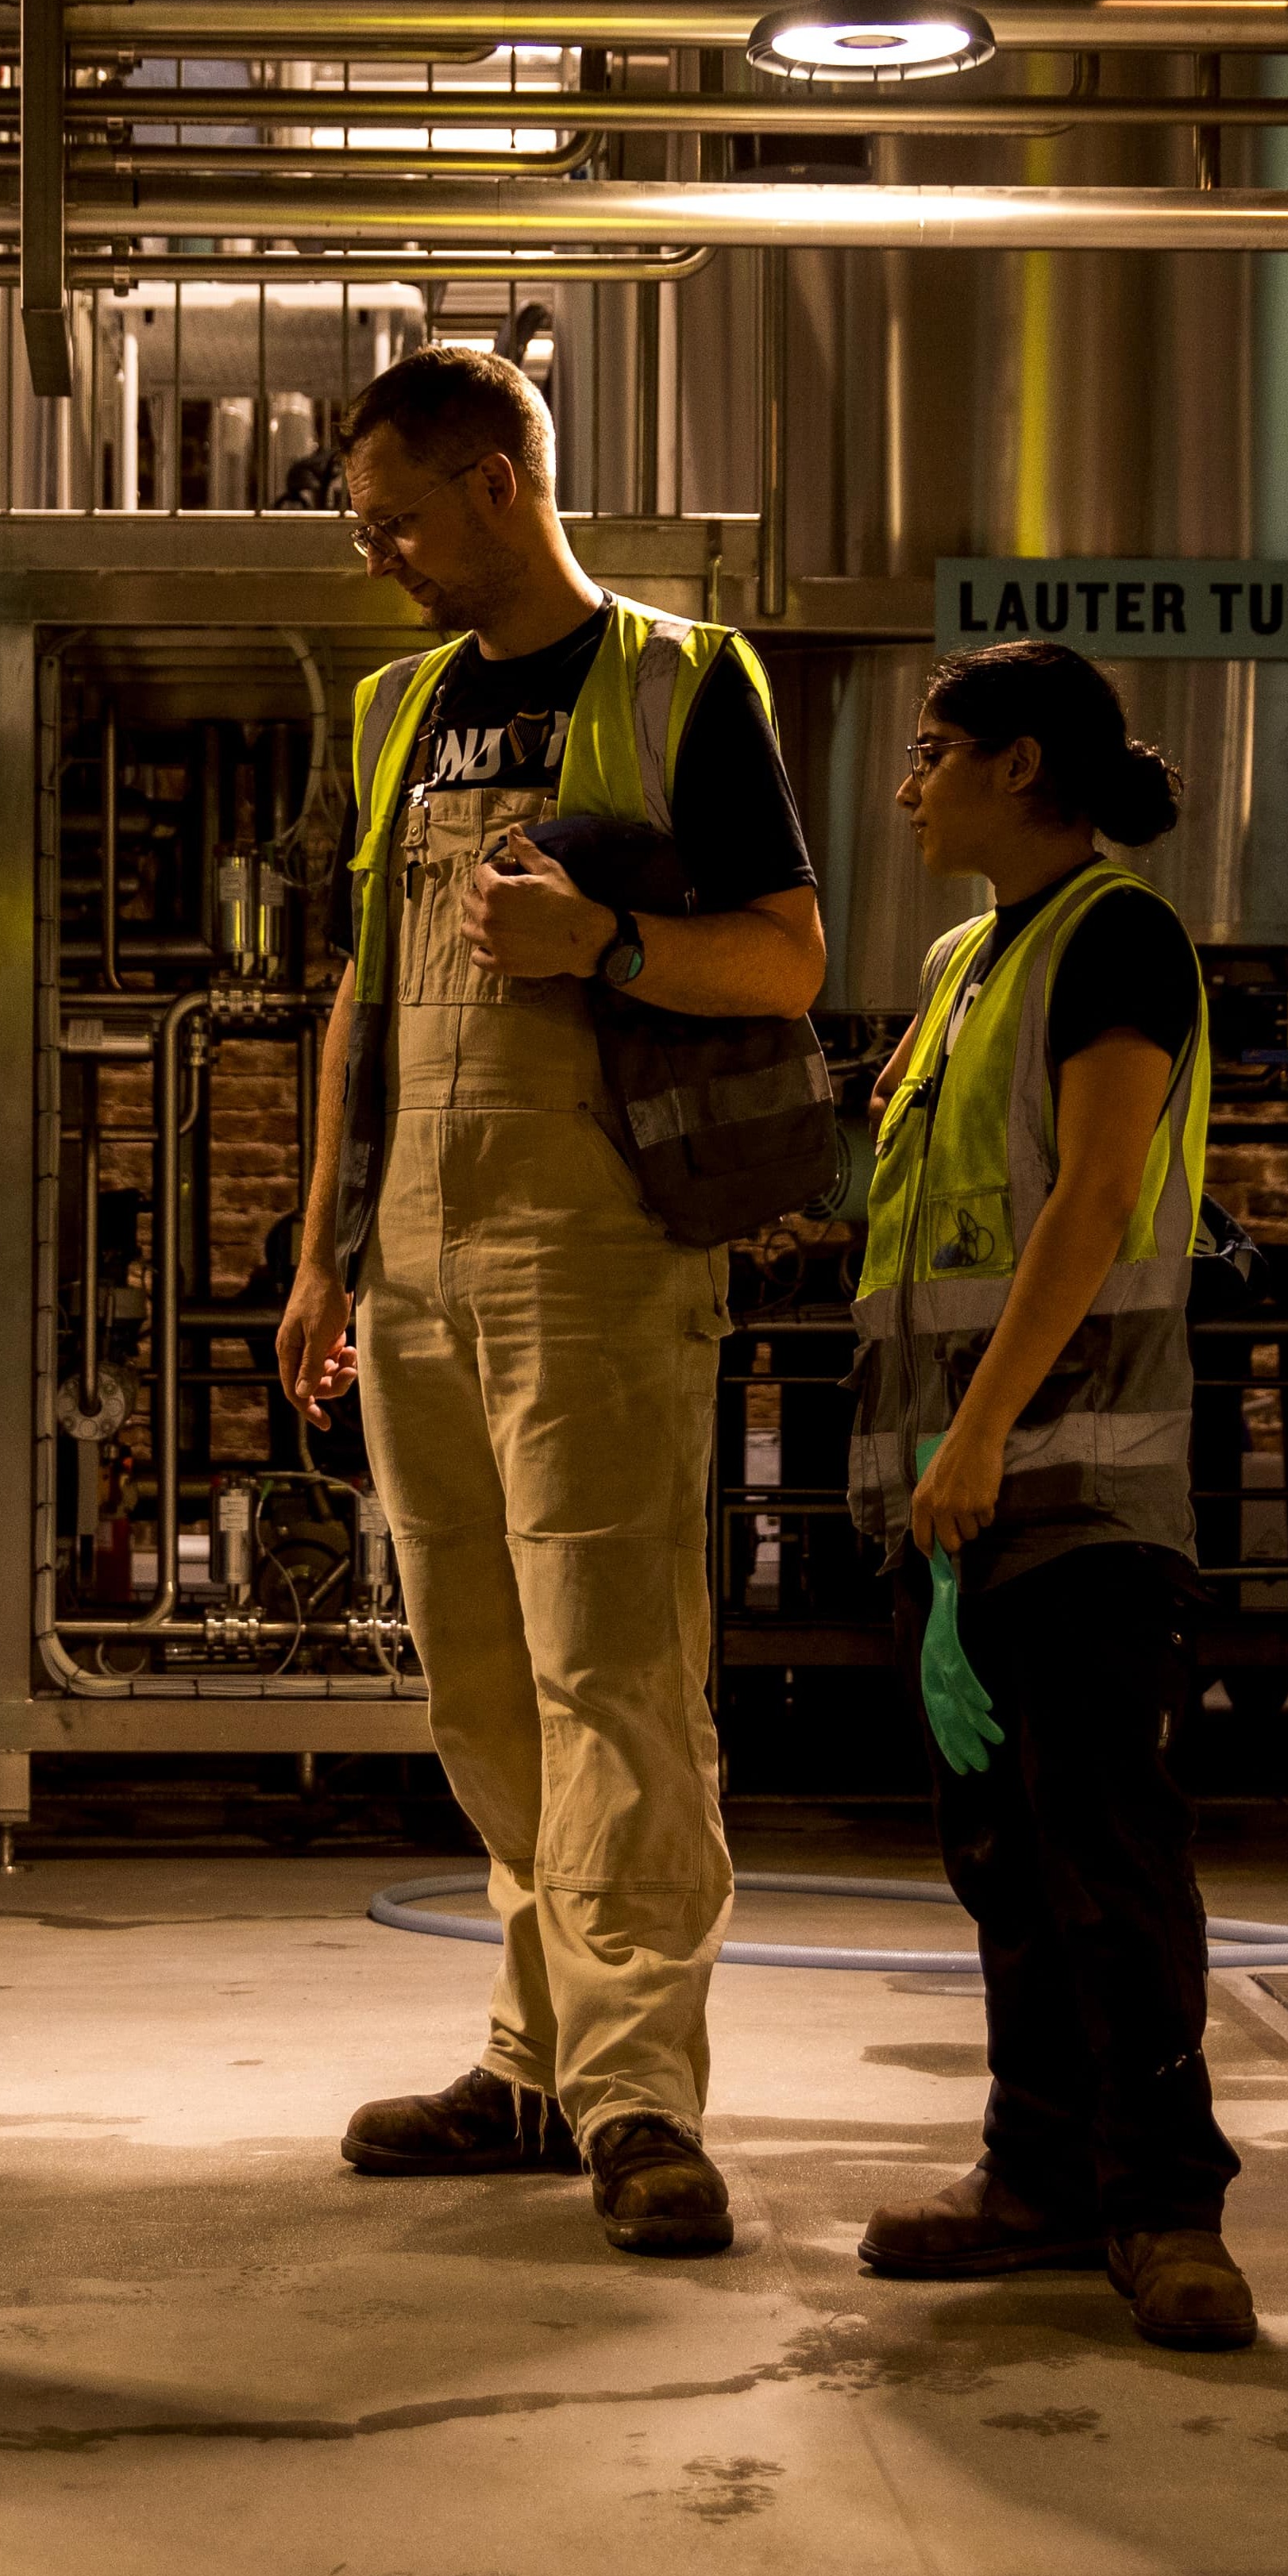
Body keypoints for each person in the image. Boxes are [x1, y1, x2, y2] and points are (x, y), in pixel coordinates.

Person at [277, 345, 825, 2259]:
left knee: (615, 1668)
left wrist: (604, 940)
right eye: (367, 525)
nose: (385, 557)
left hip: (592, 1243)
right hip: (416, 1239)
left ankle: (641, 2092)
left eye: (400, 517)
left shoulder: (683, 678)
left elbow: (783, 962)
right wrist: (320, 1242)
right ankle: (534, 2052)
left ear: (503, 480)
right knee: (480, 1675)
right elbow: (362, 991)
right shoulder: (394, 712)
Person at [845, 639, 1259, 2352]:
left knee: (1106, 1850)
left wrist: (982, 1431)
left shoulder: (1117, 935)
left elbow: (1090, 1202)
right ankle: (1035, 2174)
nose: (905, 781)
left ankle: (1166, 2206)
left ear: (1020, 766)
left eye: (931, 750)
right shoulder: (959, 962)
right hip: (956, 1503)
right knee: (1004, 1857)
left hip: (1071, 1485)